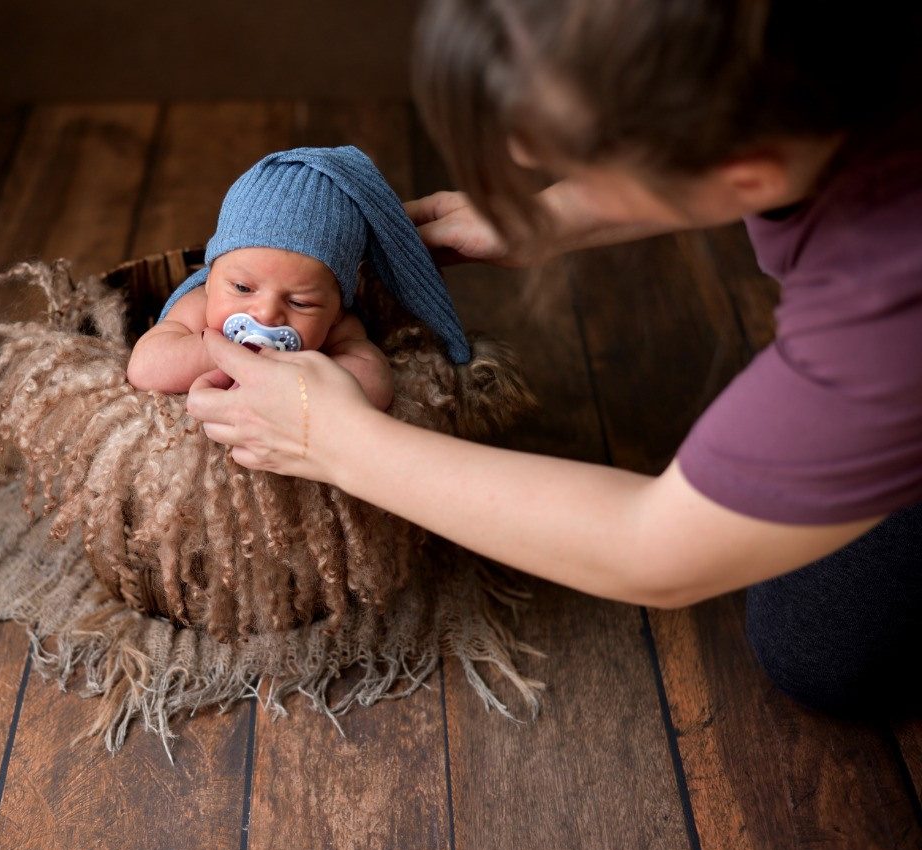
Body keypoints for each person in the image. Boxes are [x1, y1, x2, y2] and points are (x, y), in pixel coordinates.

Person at [184, 0, 922, 716]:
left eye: (581, 152)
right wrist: (549, 214)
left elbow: (654, 547)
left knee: (817, 647)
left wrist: (337, 441)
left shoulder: (887, 309)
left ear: (745, 171)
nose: (526, 157)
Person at [127, 145, 477, 412]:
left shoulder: (337, 328)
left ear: (338, 306)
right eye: (243, 288)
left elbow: (374, 386)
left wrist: (301, 377)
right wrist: (218, 350)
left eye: (300, 302)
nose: (265, 314)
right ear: (211, 272)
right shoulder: (200, 307)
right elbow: (144, 369)